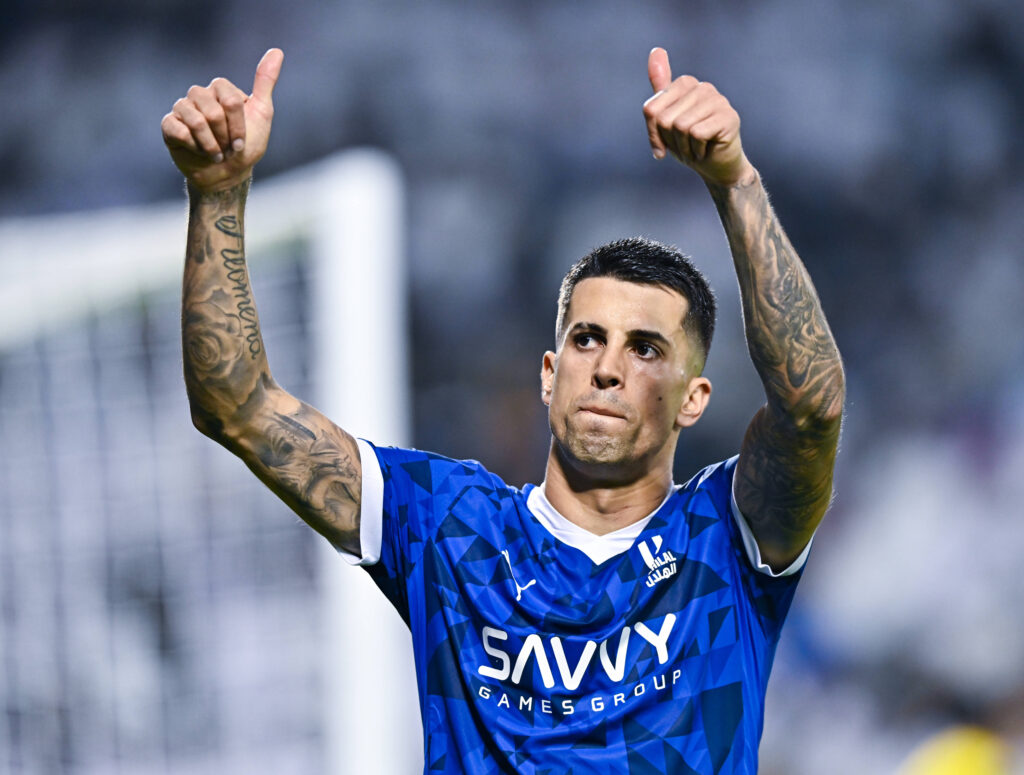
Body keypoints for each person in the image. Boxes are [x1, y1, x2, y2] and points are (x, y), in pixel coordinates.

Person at [163, 45, 844, 775]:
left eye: (645, 349)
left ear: (694, 399)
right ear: (549, 375)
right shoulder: (450, 523)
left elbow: (811, 408)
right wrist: (217, 194)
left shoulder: (724, 539)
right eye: (587, 339)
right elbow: (235, 406)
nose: (608, 368)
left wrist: (734, 180)